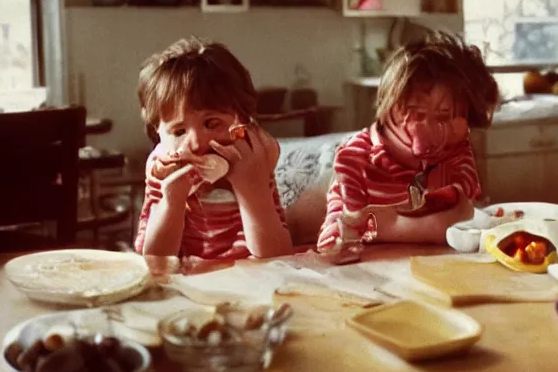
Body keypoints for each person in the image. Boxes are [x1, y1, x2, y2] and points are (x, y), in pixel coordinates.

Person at [316, 31, 500, 262]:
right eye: (417, 114)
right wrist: (344, 237)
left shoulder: (456, 154)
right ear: (389, 105)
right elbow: (333, 242)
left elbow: (463, 222)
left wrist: (382, 224)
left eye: (444, 117)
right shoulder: (354, 158)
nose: (431, 131)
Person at [134, 37, 293, 261]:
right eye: (179, 132)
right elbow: (154, 262)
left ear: (242, 120)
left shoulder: (251, 158)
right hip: (186, 283)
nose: (198, 143)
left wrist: (251, 188)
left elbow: (277, 256)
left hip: (248, 281)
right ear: (157, 133)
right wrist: (172, 203)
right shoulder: (164, 167)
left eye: (212, 123)